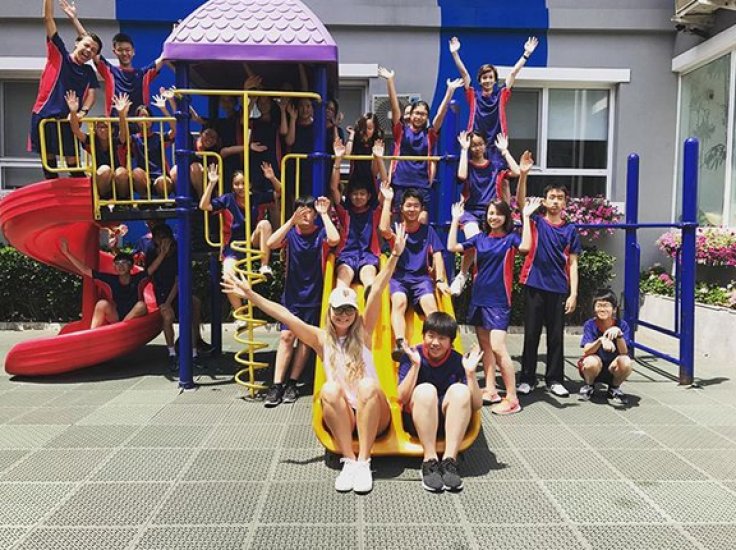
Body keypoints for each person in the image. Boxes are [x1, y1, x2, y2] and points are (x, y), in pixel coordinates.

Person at [222, 224, 408, 494]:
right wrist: (251, 295)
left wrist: (395, 256)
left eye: (349, 310)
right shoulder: (321, 339)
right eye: (338, 310)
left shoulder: (364, 333)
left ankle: (364, 462)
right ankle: (349, 460)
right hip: (345, 416)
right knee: (329, 389)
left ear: (356, 312)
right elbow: (285, 315)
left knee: (368, 385)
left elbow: (378, 289)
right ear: (329, 311)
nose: (344, 315)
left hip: (375, 415)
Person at [262, 195, 340, 407]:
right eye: (301, 211)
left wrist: (324, 214)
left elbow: (334, 239)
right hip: (292, 294)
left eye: (309, 211)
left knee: (305, 340)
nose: (305, 215)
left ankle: (292, 382)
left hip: (313, 295)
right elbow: (271, 243)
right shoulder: (291, 234)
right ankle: (277, 385)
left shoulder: (320, 233)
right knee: (286, 336)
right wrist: (291, 221)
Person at [448, 199, 522, 415]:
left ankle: (512, 398)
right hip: (479, 299)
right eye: (490, 213)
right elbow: (452, 247)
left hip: (499, 301)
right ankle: (491, 390)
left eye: (498, 214)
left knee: (498, 347)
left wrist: (525, 216)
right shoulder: (479, 239)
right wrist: (455, 220)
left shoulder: (511, 239)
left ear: (506, 217)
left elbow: (527, 247)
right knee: (486, 346)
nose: (493, 217)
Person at [397, 313, 483, 492]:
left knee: (460, 391)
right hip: (418, 421)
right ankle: (429, 461)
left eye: (442, 338)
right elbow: (401, 398)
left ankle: (449, 461)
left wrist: (470, 374)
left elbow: (476, 405)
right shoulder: (412, 355)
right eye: (431, 336)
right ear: (423, 336)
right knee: (426, 390)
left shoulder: (458, 361)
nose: (435, 342)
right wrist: (415, 366)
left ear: (450, 342)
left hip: (448, 424)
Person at [449, 131, 530, 295]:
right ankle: (462, 275)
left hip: (492, 212)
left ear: (485, 145)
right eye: (473, 145)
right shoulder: (467, 164)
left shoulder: (495, 165)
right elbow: (462, 175)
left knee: (492, 246)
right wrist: (464, 149)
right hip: (470, 211)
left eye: (480, 144)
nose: (477, 148)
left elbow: (517, 171)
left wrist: (505, 151)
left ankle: (480, 276)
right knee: (474, 239)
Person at [518, 189, 582, 397]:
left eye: (560, 198)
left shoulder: (570, 230)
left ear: (565, 203)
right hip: (534, 286)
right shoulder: (535, 222)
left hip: (558, 288)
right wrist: (523, 175)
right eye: (552, 198)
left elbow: (573, 263)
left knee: (556, 338)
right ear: (544, 201)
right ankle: (527, 379)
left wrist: (573, 294)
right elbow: (521, 203)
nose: (555, 202)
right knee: (531, 335)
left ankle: (554, 380)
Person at [378, 66, 463, 221]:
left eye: (423, 114)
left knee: (421, 219)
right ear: (410, 115)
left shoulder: (430, 134)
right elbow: (395, 107)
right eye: (417, 113)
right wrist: (390, 81)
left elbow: (441, 114)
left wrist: (450, 91)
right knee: (400, 221)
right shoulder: (401, 131)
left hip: (421, 184)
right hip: (400, 182)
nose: (419, 117)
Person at [31, 0, 101, 179]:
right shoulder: (59, 54)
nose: (88, 50)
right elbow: (48, 19)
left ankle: (82, 193)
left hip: (69, 121)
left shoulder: (88, 71)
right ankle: (53, 193)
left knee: (74, 164)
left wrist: (82, 112)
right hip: (45, 116)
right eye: (86, 46)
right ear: (77, 43)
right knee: (49, 163)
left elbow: (92, 93)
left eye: (93, 50)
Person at [379, 186, 450, 360]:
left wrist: (440, 280)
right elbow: (383, 229)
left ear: (421, 209)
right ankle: (400, 343)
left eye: (416, 206)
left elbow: (438, 254)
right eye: (408, 205)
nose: (412, 209)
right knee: (399, 302)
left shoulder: (428, 231)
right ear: (402, 208)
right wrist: (387, 200)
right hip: (399, 278)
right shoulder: (397, 229)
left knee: (430, 305)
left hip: (421, 279)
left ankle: (438, 342)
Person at [59, 1, 165, 115]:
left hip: (141, 125)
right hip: (114, 125)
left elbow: (165, 56)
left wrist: (176, 35)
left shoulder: (143, 74)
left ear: (133, 52)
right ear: (114, 52)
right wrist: (74, 19)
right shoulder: (109, 71)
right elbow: (89, 43)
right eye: (120, 50)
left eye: (128, 50)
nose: (124, 53)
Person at [199, 163, 279, 314]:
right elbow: (204, 205)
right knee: (227, 276)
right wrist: (212, 183)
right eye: (236, 184)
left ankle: (264, 266)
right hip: (233, 246)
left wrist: (272, 178)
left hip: (252, 241)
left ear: (250, 184)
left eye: (243, 183)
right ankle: (240, 314)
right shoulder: (227, 199)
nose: (240, 187)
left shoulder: (256, 197)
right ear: (232, 185)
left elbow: (279, 193)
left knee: (265, 224)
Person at [449, 35, 538, 169]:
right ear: (480, 81)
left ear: (495, 80)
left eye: (491, 77)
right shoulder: (473, 95)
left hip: (497, 143)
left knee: (500, 176)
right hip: (476, 143)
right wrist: (455, 54)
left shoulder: (501, 95)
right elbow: (464, 74)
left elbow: (513, 73)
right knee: (473, 175)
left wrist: (526, 54)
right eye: (484, 77)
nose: (488, 80)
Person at [58, 238, 166, 328]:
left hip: (135, 316)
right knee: (101, 304)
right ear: (114, 267)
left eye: (124, 263)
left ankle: (121, 327)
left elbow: (152, 268)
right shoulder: (111, 280)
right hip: (117, 315)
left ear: (131, 266)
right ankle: (92, 335)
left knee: (141, 305)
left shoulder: (138, 278)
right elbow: (86, 271)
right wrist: (67, 253)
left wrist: (163, 254)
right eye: (117, 263)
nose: (121, 266)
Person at [330, 138, 387, 293]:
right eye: (355, 194)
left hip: (368, 255)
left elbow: (385, 186)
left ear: (369, 196)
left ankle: (370, 295)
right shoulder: (345, 212)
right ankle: (342, 297)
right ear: (350, 196)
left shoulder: (374, 212)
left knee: (369, 276)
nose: (358, 197)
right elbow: (334, 188)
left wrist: (379, 159)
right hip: (346, 255)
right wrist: (338, 159)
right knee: (343, 275)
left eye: (362, 194)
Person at [145, 223, 206, 371]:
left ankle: (194, 352)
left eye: (164, 237)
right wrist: (162, 254)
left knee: (190, 311)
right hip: (162, 291)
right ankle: (172, 353)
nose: (161, 241)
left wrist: (168, 302)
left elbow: (179, 281)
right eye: (158, 238)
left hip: (177, 291)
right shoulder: (152, 251)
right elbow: (149, 272)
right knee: (167, 317)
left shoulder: (178, 251)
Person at [65, 91, 130, 198]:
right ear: (95, 130)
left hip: (118, 180)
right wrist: (73, 112)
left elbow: (123, 134)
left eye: (105, 127)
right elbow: (76, 131)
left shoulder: (115, 141)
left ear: (112, 130)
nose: (103, 130)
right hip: (101, 179)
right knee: (105, 169)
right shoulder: (92, 140)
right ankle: (103, 199)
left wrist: (121, 114)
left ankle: (123, 202)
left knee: (121, 172)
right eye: (100, 127)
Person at [578, 289, 632, 405]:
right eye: (599, 306)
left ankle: (614, 388)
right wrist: (600, 340)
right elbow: (587, 350)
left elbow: (624, 352)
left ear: (614, 309)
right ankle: (589, 385)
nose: (602, 309)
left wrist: (619, 335)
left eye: (606, 306)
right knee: (590, 361)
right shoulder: (590, 324)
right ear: (594, 308)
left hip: (613, 368)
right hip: (594, 367)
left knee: (626, 361)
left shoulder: (622, 325)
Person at [122, 88, 177, 197]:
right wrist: (122, 114)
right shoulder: (134, 138)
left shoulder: (158, 136)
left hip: (160, 176)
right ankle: (145, 199)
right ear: (136, 121)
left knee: (163, 183)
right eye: (140, 117)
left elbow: (175, 130)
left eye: (146, 116)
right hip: (142, 178)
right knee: (136, 172)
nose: (144, 120)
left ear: (151, 120)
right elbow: (123, 138)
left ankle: (163, 202)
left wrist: (164, 109)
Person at [344, 112, 384, 196]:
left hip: (370, 181)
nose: (365, 131)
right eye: (363, 128)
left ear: (375, 129)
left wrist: (376, 154)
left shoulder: (377, 142)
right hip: (355, 179)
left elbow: (374, 172)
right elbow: (347, 154)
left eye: (369, 128)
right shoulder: (356, 140)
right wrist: (352, 134)